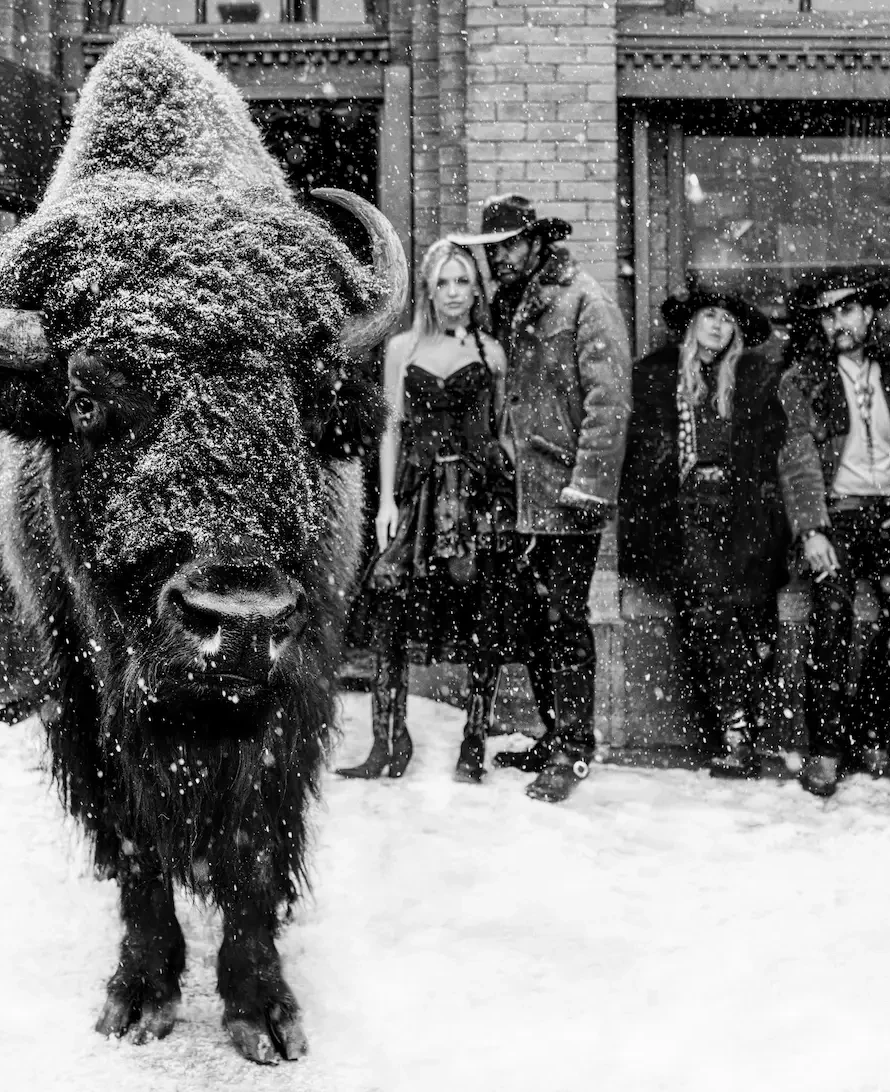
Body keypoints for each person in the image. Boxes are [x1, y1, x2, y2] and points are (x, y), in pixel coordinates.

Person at [455, 194, 631, 803]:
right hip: (515, 494)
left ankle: (575, 751)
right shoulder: (503, 305)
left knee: (564, 621)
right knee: (531, 622)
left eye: (508, 246)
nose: (499, 258)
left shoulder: (585, 299)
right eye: (492, 250)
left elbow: (609, 404)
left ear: (536, 244)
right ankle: (553, 732)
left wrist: (590, 486)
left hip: (566, 494)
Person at [338, 238, 512, 783]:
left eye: (464, 281)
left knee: (483, 614)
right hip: (418, 490)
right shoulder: (402, 349)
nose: (455, 292)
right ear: (429, 291)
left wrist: (510, 501)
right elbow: (390, 427)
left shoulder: (492, 352)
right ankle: (388, 744)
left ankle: (473, 745)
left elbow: (504, 429)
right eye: (444, 282)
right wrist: (386, 498)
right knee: (389, 608)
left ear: (477, 289)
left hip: (476, 493)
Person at [620, 286, 789, 777]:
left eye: (727, 320)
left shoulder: (753, 381)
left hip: (741, 514)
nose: (717, 326)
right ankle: (736, 729)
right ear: (692, 323)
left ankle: (743, 727)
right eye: (709, 315)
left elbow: (770, 449)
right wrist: (674, 468)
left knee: (748, 615)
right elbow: (642, 449)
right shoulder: (659, 378)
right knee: (708, 610)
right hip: (684, 511)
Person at [778, 272, 890, 798]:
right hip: (839, 515)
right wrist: (812, 530)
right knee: (831, 625)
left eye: (847, 311)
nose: (839, 322)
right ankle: (827, 748)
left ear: (868, 315)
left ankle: (881, 735)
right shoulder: (804, 379)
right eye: (829, 313)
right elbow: (797, 457)